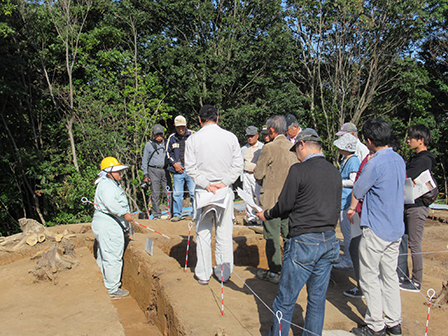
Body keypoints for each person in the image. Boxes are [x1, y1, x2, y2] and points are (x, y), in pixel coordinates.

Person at [256, 128, 341, 336]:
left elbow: (284, 205)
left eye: (297, 150)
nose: (296, 155)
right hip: (329, 239)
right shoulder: (334, 171)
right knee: (317, 300)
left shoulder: (299, 170)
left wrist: (267, 214)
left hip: (304, 241)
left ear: (302, 144)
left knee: (285, 301)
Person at [347, 118, 405, 336]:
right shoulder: (398, 159)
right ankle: (393, 321)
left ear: (369, 141)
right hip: (395, 227)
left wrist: (352, 209)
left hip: (377, 227)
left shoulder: (374, 163)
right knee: (390, 275)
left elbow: (359, 189)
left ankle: (375, 325)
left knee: (369, 275)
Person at [185, 105, 243, 285]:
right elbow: (237, 165)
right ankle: (224, 273)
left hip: (204, 191)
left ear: (199, 119)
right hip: (223, 191)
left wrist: (206, 184)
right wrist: (224, 182)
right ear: (217, 118)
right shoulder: (230, 137)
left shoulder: (193, 139)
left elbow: (190, 168)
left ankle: (203, 273)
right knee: (224, 233)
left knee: (203, 233)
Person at [254, 115, 298, 284]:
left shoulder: (269, 148)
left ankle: (274, 272)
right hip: (291, 200)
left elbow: (258, 174)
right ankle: (289, 270)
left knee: (271, 236)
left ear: (272, 130)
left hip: (271, 201)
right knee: (288, 236)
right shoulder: (293, 147)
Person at [398, 124, 436, 292]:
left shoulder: (424, 159)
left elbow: (407, 175)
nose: (408, 140)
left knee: (414, 243)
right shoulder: (415, 158)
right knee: (404, 240)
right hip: (408, 204)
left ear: (420, 140)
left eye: (411, 138)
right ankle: (404, 275)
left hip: (417, 206)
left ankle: (417, 280)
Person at [92, 157, 136, 298]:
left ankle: (103, 284)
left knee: (104, 255)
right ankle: (112, 289)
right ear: (109, 172)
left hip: (105, 223)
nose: (120, 174)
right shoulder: (108, 186)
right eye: (117, 171)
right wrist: (125, 214)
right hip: (109, 224)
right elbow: (111, 203)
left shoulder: (108, 184)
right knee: (112, 256)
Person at [333, 133, 361, 271]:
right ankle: (346, 256)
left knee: (348, 233)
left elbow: (353, 181)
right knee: (345, 232)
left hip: (347, 202)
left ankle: (349, 259)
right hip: (343, 200)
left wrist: (338, 182)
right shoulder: (346, 159)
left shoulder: (353, 161)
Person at [166, 115, 195, 222]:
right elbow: (168, 153)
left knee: (193, 192)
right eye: (178, 127)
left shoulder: (193, 135)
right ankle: (177, 214)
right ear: (175, 126)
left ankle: (195, 213)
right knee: (177, 193)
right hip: (178, 170)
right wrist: (175, 164)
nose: (181, 129)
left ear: (186, 125)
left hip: (191, 169)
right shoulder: (172, 138)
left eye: (182, 127)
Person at [141, 124, 172, 220]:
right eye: (156, 134)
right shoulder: (149, 145)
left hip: (165, 169)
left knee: (169, 191)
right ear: (153, 135)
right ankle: (156, 214)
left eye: (160, 134)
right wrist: (145, 174)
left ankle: (171, 212)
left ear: (163, 133)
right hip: (153, 170)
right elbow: (144, 160)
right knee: (155, 193)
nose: (159, 136)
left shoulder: (167, 142)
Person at [241, 126, 263, 226]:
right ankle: (251, 218)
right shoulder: (244, 149)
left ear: (257, 136)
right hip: (246, 174)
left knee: (259, 196)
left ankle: (262, 217)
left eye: (252, 136)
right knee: (248, 196)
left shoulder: (262, 147)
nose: (250, 138)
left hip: (257, 175)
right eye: (248, 136)